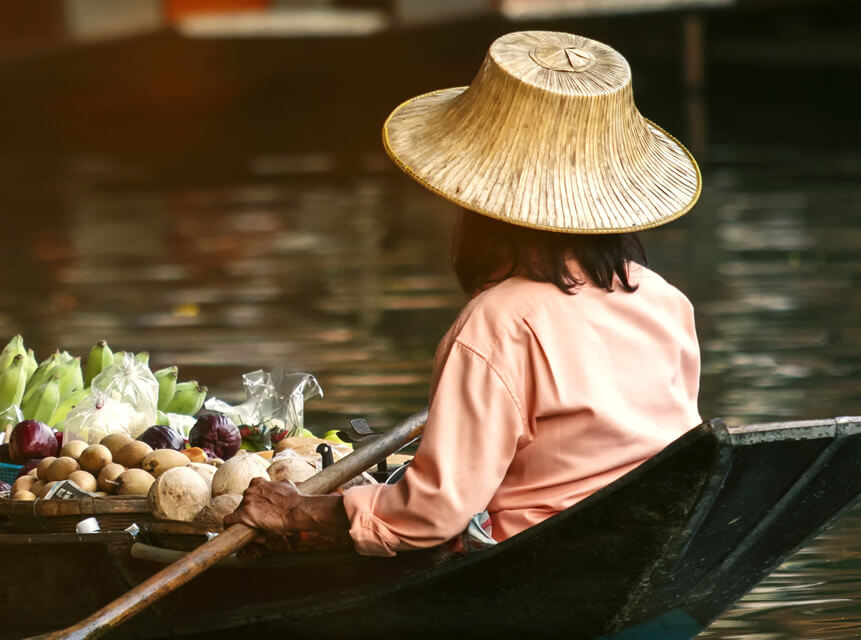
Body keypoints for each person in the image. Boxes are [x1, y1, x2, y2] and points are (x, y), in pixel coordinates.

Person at [226, 30, 703, 556]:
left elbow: (431, 514)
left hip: (538, 554)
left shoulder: (497, 325)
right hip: (654, 539)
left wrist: (296, 508)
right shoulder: (663, 298)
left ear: (482, 211)